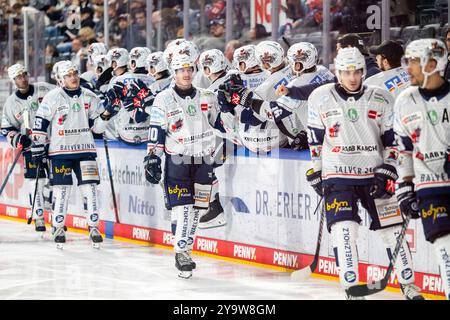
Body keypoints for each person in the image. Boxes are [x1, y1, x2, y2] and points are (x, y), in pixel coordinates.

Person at [307, 47, 423, 300]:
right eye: (346, 72)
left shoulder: (381, 97)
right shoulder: (320, 97)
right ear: (338, 71)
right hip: (338, 175)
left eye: (357, 71)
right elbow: (315, 141)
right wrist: (316, 172)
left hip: (375, 174)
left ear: (363, 70)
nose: (352, 77)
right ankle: (352, 288)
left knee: (392, 229)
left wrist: (389, 168)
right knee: (344, 230)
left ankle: (408, 284)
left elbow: (393, 141)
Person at [144, 53, 221, 278]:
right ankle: (182, 253)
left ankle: (184, 248)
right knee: (183, 207)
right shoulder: (164, 99)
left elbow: (220, 124)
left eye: (189, 69)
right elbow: (156, 130)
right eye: (181, 70)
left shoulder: (208, 96)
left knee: (197, 209)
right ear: (174, 73)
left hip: (203, 160)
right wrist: (152, 157)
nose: (186, 74)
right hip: (178, 160)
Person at [394, 39, 450, 300]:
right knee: (444, 246)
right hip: (430, 187)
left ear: (432, 63)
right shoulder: (405, 101)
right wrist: (405, 185)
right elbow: (403, 149)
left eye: (414, 62)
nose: (408, 68)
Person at [31, 61, 104, 249]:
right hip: (60, 152)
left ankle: (94, 226)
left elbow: (98, 125)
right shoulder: (53, 97)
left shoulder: (90, 96)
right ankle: (58, 226)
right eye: (68, 75)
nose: (73, 77)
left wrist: (104, 119)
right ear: (61, 79)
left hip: (85, 151)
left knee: (91, 190)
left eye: (75, 73)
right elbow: (40, 123)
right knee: (62, 191)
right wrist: (38, 146)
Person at [1, 64, 55, 232]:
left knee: (57, 182)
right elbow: (6, 128)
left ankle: (57, 217)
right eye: (18, 77)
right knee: (35, 182)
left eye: (24, 74)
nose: (23, 79)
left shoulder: (45, 89)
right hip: (31, 148)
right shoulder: (11, 103)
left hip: (53, 144)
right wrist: (18, 137)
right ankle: (39, 217)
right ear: (13, 80)